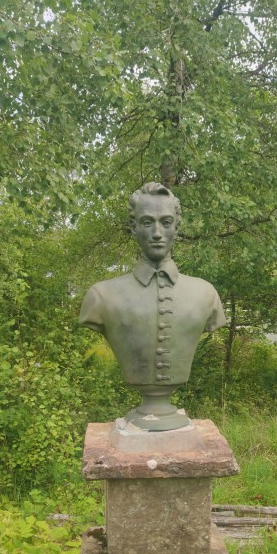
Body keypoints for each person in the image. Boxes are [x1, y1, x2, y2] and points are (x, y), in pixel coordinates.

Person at [79, 182, 226, 430]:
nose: (157, 233)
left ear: (176, 228)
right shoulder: (101, 296)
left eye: (166, 222)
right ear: (134, 228)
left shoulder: (206, 293)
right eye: (147, 222)